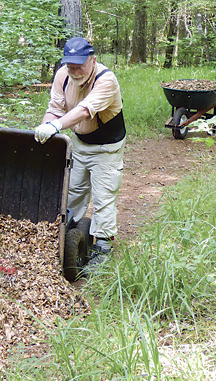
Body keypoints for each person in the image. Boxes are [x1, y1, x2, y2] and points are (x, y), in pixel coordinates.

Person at [34, 37, 126, 274]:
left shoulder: (106, 80)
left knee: (104, 194)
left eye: (79, 66)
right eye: (70, 66)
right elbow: (55, 107)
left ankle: (103, 248)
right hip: (80, 142)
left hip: (106, 147)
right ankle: (66, 232)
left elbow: (85, 110)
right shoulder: (63, 76)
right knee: (72, 189)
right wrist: (46, 128)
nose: (74, 71)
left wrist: (56, 127)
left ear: (92, 60)